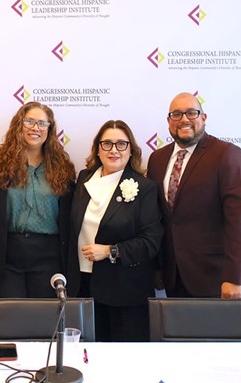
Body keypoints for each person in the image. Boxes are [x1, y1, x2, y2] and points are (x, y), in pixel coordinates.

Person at [147, 92, 241, 298]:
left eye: (191, 113)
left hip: (216, 277)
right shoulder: (157, 159)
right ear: (169, 121)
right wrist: (158, 268)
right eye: (177, 114)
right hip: (173, 276)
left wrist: (234, 277)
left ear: (203, 118)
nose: (184, 119)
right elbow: (160, 219)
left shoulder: (227, 155)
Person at [67, 120, 163, 342]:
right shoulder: (84, 178)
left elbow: (151, 241)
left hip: (124, 291)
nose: (114, 150)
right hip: (82, 284)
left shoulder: (144, 187)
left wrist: (111, 250)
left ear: (131, 150)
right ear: (97, 149)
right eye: (107, 144)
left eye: (121, 144)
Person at [0, 102, 76, 298]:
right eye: (30, 121)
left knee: (43, 322)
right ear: (19, 124)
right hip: (7, 257)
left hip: (49, 258)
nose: (36, 128)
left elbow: (69, 219)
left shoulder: (63, 166)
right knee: (11, 322)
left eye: (43, 123)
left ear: (50, 130)